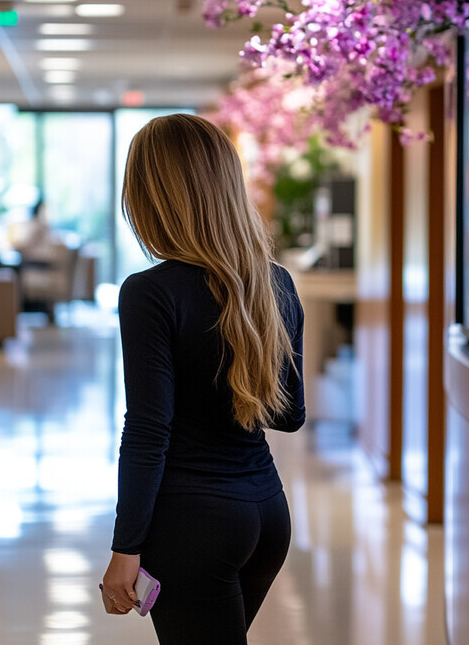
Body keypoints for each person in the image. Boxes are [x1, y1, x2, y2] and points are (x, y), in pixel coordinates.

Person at [101, 114, 305, 644]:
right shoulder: (273, 282)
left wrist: (125, 550)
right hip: (266, 515)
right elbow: (289, 415)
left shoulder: (150, 292)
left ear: (150, 197)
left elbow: (148, 429)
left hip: (192, 524)